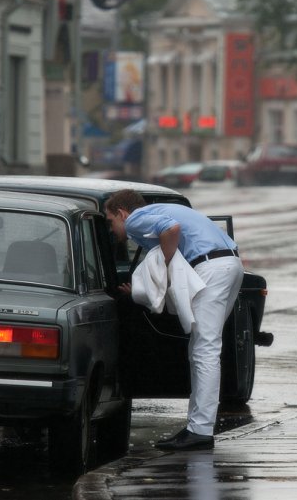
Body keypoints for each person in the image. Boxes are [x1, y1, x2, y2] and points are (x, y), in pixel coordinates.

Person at [105, 189, 244, 450]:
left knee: (205, 349)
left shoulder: (136, 220)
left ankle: (200, 431)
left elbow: (171, 229)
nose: (111, 230)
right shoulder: (160, 210)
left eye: (111, 222)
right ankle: (196, 426)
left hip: (212, 269)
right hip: (230, 265)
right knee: (201, 348)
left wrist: (169, 267)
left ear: (122, 213)